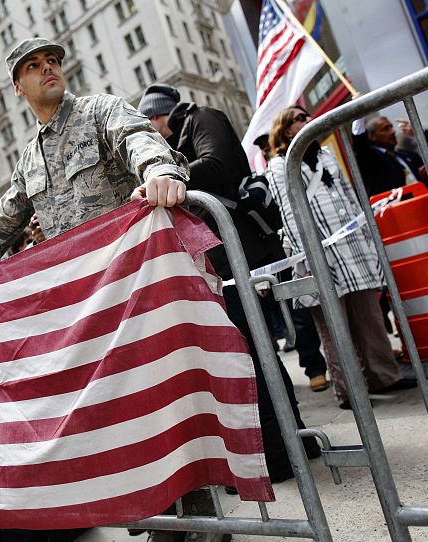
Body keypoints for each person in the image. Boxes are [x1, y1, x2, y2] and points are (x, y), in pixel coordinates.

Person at [0, 37, 188, 542]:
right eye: (34, 66)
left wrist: (160, 172)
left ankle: (198, 518)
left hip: (134, 287)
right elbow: (1, 224)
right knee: (115, 411)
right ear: (18, 86)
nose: (49, 69)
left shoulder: (99, 111)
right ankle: (157, 515)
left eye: (53, 61)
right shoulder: (29, 159)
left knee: (164, 397)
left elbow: (140, 140)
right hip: (84, 307)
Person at [138, 84, 323, 484]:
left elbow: (219, 166)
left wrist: (168, 175)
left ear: (158, 116)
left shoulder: (201, 118)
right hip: (225, 260)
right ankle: (288, 446)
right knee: (252, 354)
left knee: (252, 355)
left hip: (240, 258)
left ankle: (281, 453)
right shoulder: (184, 134)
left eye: (149, 121)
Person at [267, 106, 416, 409]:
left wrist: (368, 239)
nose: (308, 120)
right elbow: (289, 213)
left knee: (370, 318)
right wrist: (306, 256)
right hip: (319, 255)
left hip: (354, 250)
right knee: (335, 328)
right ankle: (350, 390)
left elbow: (350, 198)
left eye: (307, 115)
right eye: (299, 118)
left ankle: (384, 376)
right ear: (285, 129)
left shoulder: (326, 156)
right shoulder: (279, 165)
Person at [351, 114, 427, 197]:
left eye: (391, 127)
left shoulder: (409, 155)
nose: (393, 131)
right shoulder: (370, 159)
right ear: (372, 136)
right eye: (386, 129)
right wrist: (359, 114)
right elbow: (359, 143)